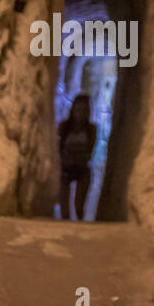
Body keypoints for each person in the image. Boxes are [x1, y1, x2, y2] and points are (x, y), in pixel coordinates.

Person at [58, 93, 97, 221]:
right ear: (73, 110)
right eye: (78, 110)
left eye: (84, 110)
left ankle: (78, 231)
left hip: (82, 170)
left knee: (79, 207)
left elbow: (90, 151)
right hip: (66, 169)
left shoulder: (91, 129)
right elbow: (58, 148)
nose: (80, 114)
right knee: (64, 210)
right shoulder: (64, 127)